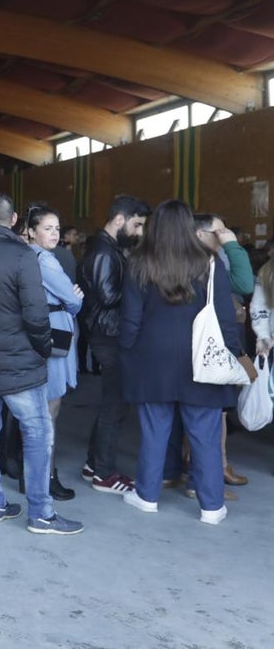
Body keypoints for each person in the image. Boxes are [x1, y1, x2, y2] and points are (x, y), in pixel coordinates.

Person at [0, 192, 82, 534]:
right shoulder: (24, 256)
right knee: (37, 435)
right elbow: (37, 315)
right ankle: (40, 513)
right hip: (21, 365)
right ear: (14, 220)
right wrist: (40, 348)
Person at [120, 200, 249, 525]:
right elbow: (224, 319)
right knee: (204, 435)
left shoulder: (139, 262)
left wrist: (129, 354)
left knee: (154, 431)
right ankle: (212, 507)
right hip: (201, 361)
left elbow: (130, 322)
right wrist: (233, 356)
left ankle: (147, 497)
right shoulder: (209, 263)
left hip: (153, 361)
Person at [79, 194, 151, 494]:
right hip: (107, 336)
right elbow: (108, 297)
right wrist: (140, 291)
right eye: (136, 225)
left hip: (108, 334)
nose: (139, 232)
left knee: (114, 403)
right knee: (114, 405)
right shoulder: (103, 252)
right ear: (119, 219)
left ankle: (94, 464)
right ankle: (104, 474)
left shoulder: (110, 249)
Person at [25, 205, 84, 501]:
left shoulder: (29, 256)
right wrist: (75, 300)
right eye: (47, 228)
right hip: (54, 331)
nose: (54, 233)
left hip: (44, 329)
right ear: (32, 231)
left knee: (41, 407)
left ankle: (36, 474)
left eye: (57, 228)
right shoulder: (45, 260)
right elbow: (73, 300)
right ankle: (45, 476)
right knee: (50, 408)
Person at [193, 212, 255, 488]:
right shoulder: (207, 262)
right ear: (200, 235)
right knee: (212, 409)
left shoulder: (207, 258)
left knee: (207, 410)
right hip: (211, 342)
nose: (224, 234)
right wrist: (232, 244)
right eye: (218, 231)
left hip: (206, 341)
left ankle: (202, 469)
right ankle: (212, 471)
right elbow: (244, 284)